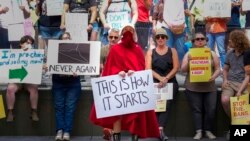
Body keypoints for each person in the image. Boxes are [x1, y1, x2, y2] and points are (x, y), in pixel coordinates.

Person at [90, 24, 160, 141]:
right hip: (118, 88)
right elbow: (109, 68)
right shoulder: (115, 49)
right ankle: (116, 137)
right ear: (122, 35)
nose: (128, 34)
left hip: (133, 90)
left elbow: (141, 68)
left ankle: (134, 138)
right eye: (126, 32)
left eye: (131, 32)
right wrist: (118, 72)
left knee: (136, 114)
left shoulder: (137, 49)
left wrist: (135, 72)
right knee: (116, 113)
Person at [181, 32, 221, 140]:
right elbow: (183, 70)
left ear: (206, 41)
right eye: (197, 39)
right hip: (193, 87)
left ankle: (208, 130)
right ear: (193, 42)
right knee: (196, 110)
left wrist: (214, 76)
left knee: (211, 109)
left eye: (202, 39)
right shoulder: (189, 53)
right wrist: (189, 62)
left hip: (209, 87)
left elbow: (218, 69)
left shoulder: (212, 53)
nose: (199, 41)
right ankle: (198, 131)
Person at [145, 28, 179, 141]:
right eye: (158, 37)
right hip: (155, 81)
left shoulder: (172, 50)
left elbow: (176, 67)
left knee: (166, 102)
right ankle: (159, 130)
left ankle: (159, 129)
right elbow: (148, 69)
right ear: (155, 39)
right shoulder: (150, 52)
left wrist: (166, 78)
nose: (160, 38)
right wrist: (160, 78)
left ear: (166, 39)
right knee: (156, 104)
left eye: (162, 37)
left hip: (170, 81)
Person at [51, 32, 81, 141]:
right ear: (60, 41)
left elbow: (83, 66)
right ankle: (60, 130)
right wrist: (47, 66)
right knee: (59, 107)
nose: (66, 39)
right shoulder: (53, 52)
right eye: (64, 38)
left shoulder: (77, 52)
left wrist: (79, 71)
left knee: (70, 108)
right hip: (58, 82)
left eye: (68, 37)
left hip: (73, 83)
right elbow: (49, 65)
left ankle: (67, 131)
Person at [221, 30, 250, 140]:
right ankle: (235, 121)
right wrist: (224, 80)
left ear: (237, 41)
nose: (229, 41)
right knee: (224, 100)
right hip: (230, 82)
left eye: (231, 40)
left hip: (244, 83)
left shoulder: (247, 54)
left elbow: (248, 75)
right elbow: (225, 69)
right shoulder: (229, 53)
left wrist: (239, 91)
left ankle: (238, 129)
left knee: (244, 105)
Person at [6, 35, 39, 122]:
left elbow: (37, 70)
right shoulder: (13, 54)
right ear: (21, 44)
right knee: (10, 89)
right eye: (27, 43)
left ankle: (34, 111)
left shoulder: (35, 55)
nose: (29, 45)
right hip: (17, 81)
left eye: (30, 44)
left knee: (34, 88)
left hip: (29, 81)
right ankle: (10, 112)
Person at [100, 28, 120, 140]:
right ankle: (107, 129)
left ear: (119, 38)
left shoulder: (122, 50)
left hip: (118, 83)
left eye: (115, 37)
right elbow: (99, 65)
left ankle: (112, 131)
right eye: (111, 37)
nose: (113, 39)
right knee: (106, 107)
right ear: (108, 37)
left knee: (115, 108)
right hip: (105, 82)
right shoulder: (103, 50)